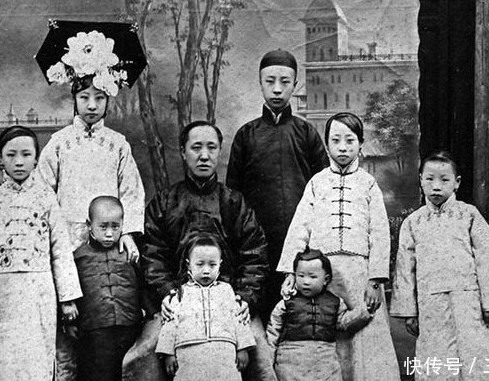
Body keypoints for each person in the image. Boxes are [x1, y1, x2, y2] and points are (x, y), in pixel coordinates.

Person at [35, 29, 146, 379]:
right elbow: (42, 193)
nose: (92, 105)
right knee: (68, 328)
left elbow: (131, 191)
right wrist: (52, 239)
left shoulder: (118, 144)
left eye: (99, 97)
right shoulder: (58, 144)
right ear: (74, 97)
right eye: (85, 97)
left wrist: (126, 233)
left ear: (108, 99)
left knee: (105, 325)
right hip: (68, 244)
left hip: (108, 238)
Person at [126, 120, 275, 381]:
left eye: (211, 148)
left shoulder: (234, 202)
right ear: (183, 152)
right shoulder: (164, 202)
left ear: (219, 151)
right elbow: (152, 255)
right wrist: (167, 294)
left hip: (229, 300)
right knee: (142, 356)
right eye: (196, 148)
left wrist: (244, 298)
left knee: (260, 356)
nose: (204, 155)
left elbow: (255, 254)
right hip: (176, 301)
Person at [278, 112, 400, 381]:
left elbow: (379, 233)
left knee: (367, 333)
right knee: (329, 331)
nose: (343, 147)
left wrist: (376, 279)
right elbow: (300, 228)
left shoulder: (368, 184)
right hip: (325, 275)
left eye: (350, 140)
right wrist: (290, 271)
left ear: (361, 144)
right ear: (327, 145)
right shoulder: (317, 183)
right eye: (335, 140)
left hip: (361, 273)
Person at [0, 126, 82, 381]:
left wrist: (67, 298)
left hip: (38, 292)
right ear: (0, 158)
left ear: (36, 159)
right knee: (3, 360)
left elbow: (61, 249)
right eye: (11, 155)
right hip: (1, 295)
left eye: (26, 154)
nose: (19, 162)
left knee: (37, 359)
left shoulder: (46, 199)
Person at [390, 151, 489, 381]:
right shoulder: (413, 223)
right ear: (420, 180)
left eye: (444, 179)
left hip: (470, 302)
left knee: (476, 355)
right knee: (436, 360)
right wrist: (409, 311)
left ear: (457, 182)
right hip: (431, 304)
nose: (436, 186)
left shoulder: (469, 215)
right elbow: (405, 269)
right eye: (429, 179)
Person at [227, 49, 329, 317]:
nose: (276, 89)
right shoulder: (246, 135)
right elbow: (233, 196)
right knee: (260, 312)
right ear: (260, 83)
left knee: (299, 313)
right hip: (256, 240)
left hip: (300, 239)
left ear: (295, 85)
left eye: (284, 82)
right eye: (270, 81)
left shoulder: (306, 132)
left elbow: (324, 189)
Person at [66, 196, 152, 381]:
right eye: (103, 227)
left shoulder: (129, 253)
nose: (109, 234)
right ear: (89, 225)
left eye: (115, 227)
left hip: (129, 327)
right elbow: (70, 291)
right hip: (94, 332)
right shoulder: (78, 257)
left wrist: (151, 314)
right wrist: (70, 323)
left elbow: (141, 285)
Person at [156, 234, 256, 381]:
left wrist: (242, 348)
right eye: (200, 264)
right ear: (188, 264)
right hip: (189, 352)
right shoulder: (180, 293)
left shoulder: (226, 290)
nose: (206, 270)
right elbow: (170, 322)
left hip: (223, 351)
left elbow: (238, 318)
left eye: (212, 265)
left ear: (220, 264)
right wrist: (168, 353)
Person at [267, 248, 372, 381]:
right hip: (290, 362)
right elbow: (272, 333)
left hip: (325, 362)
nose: (306, 281)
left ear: (326, 279)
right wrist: (269, 363)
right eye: (301, 276)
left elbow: (344, 322)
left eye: (312, 277)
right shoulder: (286, 303)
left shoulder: (335, 302)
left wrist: (366, 311)